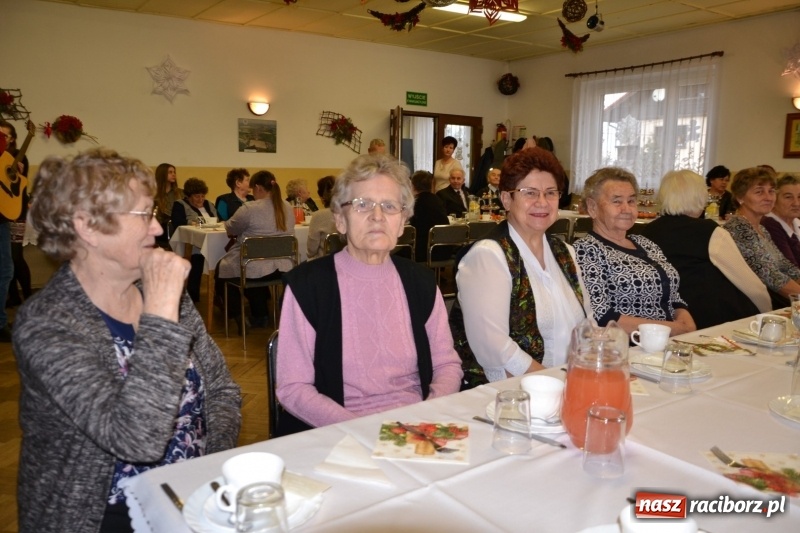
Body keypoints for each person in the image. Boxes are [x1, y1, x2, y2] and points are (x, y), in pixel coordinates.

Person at [12, 148, 241, 533]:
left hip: (194, 497)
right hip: (100, 514)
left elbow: (222, 390)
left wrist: (207, 472)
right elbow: (137, 440)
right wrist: (161, 311)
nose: (156, 228)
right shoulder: (46, 324)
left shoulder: (162, 291)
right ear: (86, 225)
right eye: (143, 214)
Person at [275, 154, 462, 435]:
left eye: (389, 206)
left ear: (401, 223)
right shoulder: (308, 287)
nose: (377, 216)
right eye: (362, 205)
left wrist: (428, 413)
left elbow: (447, 364)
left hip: (417, 427)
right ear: (340, 220)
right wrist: (362, 430)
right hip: (337, 433)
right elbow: (293, 388)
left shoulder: (421, 282)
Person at [452, 147, 592, 385]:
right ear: (507, 199)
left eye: (551, 193)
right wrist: (555, 382)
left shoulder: (565, 253)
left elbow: (588, 323)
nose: (542, 202)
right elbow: (494, 348)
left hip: (568, 383)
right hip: (508, 397)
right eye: (530, 193)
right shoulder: (488, 256)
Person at [640, 170, 771, 329]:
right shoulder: (709, 232)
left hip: (664, 317)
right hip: (710, 320)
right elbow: (749, 283)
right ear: (701, 197)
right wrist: (767, 313)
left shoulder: (646, 232)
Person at [573, 167, 696, 335]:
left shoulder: (645, 243)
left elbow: (673, 297)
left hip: (669, 340)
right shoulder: (586, 250)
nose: (627, 208)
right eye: (617, 201)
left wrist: (686, 323)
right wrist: (673, 329)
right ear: (592, 207)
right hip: (627, 347)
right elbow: (601, 316)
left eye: (631, 201)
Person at [217, 170, 294, 329]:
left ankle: (238, 314)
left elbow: (232, 228)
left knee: (223, 268)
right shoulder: (287, 206)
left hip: (254, 266)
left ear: (258, 187)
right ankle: (260, 314)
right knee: (256, 266)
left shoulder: (250, 208)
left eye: (253, 190)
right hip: (284, 265)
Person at [723, 167, 800, 308]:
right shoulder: (739, 228)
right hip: (748, 305)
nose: (768, 197)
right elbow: (772, 277)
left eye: (771, 191)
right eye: (759, 192)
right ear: (740, 197)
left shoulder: (761, 228)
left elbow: (786, 267)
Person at [171, 178, 219, 303]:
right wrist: (193, 222)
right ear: (188, 196)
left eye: (203, 196)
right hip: (191, 243)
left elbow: (218, 219)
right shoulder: (180, 205)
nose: (201, 200)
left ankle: (219, 297)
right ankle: (192, 297)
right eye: (197, 196)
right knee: (197, 259)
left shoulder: (209, 204)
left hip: (212, 240)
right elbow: (178, 222)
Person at [1, 120, 31, 308]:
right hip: (2, 212)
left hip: (17, 210)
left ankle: (29, 297)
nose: (2, 138)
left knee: (15, 256)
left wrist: (18, 175)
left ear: (12, 139)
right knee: (6, 259)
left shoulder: (20, 158)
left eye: (5, 135)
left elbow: (18, 186)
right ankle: (13, 296)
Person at [409, 170, 449, 263]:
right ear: (431, 185)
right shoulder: (437, 200)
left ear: (413, 185)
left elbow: (413, 227)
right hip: (443, 249)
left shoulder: (416, 203)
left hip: (423, 251)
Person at [761, 173, 800, 267]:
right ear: (774, 199)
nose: (796, 203)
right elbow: (791, 268)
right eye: (788, 197)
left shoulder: (796, 222)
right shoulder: (769, 225)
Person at [306, 175, 337, 260]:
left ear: (321, 196)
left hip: (323, 262)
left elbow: (311, 250)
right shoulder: (349, 213)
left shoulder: (318, 216)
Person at [153, 163, 181, 244]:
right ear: (162, 174)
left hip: (177, 225)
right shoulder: (153, 193)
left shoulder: (180, 193)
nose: (173, 174)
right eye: (170, 172)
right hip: (161, 226)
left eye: (174, 172)